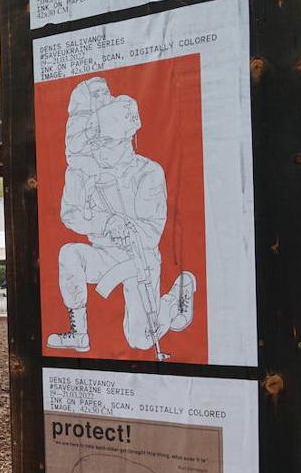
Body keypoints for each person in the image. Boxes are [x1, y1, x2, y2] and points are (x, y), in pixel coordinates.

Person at [47, 79, 194, 359]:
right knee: (70, 254)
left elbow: (151, 232)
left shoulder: (148, 172)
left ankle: (176, 298)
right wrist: (104, 223)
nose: (102, 150)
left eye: (108, 143)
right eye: (98, 143)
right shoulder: (83, 171)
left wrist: (123, 225)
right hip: (105, 253)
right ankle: (79, 331)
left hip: (140, 257)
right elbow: (70, 213)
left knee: (140, 340)